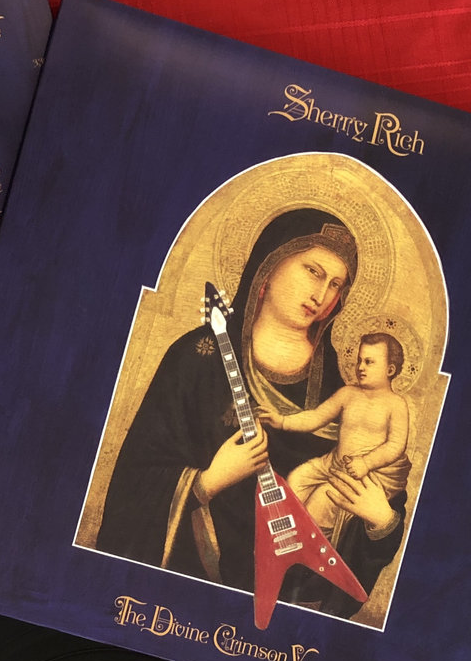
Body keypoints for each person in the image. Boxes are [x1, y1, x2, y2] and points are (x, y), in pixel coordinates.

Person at [96, 209, 407, 617]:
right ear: (270, 264)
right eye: (313, 271)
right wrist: (206, 483)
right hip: (187, 587)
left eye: (336, 284)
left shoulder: (342, 388)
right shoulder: (198, 358)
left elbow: (382, 490)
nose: (321, 294)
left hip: (288, 600)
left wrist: (381, 522)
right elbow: (132, 485)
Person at [259, 332, 410, 539]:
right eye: (359, 360)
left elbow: (395, 446)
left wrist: (366, 463)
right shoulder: (348, 394)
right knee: (297, 479)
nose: (361, 367)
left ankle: (306, 547)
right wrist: (283, 421)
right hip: (333, 463)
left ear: (390, 370)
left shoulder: (396, 404)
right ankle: (282, 535)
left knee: (321, 501)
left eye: (369, 362)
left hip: (364, 474)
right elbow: (316, 417)